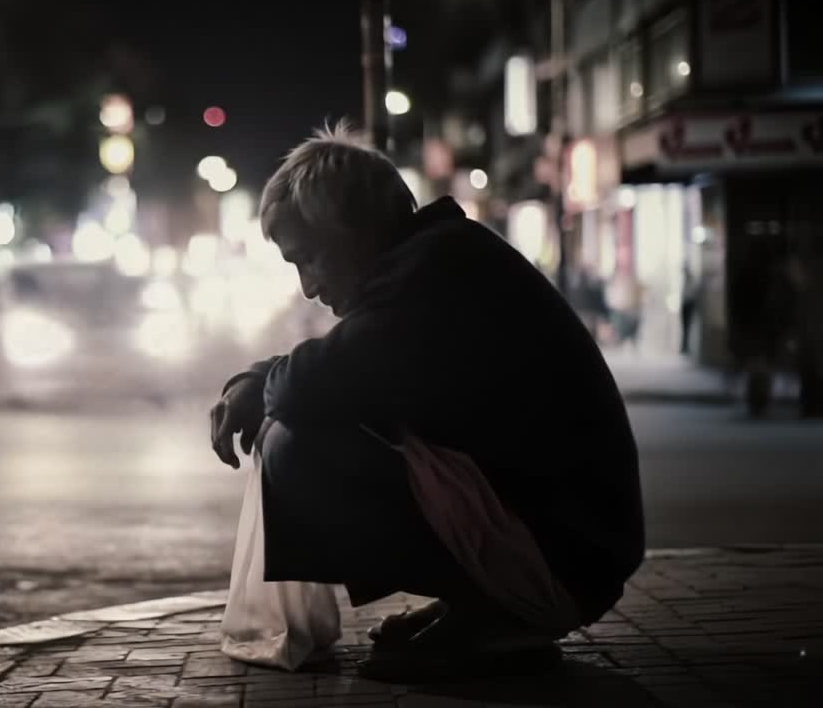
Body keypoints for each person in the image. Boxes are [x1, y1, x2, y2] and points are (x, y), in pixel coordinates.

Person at [209, 123, 643, 679]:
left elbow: (308, 386)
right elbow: (335, 373)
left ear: (352, 232)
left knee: (294, 445)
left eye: (309, 258)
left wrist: (259, 383)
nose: (309, 288)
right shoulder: (437, 258)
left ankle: (501, 613)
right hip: (570, 552)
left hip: (562, 565)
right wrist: (260, 378)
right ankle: (479, 604)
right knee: (307, 424)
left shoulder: (435, 271)